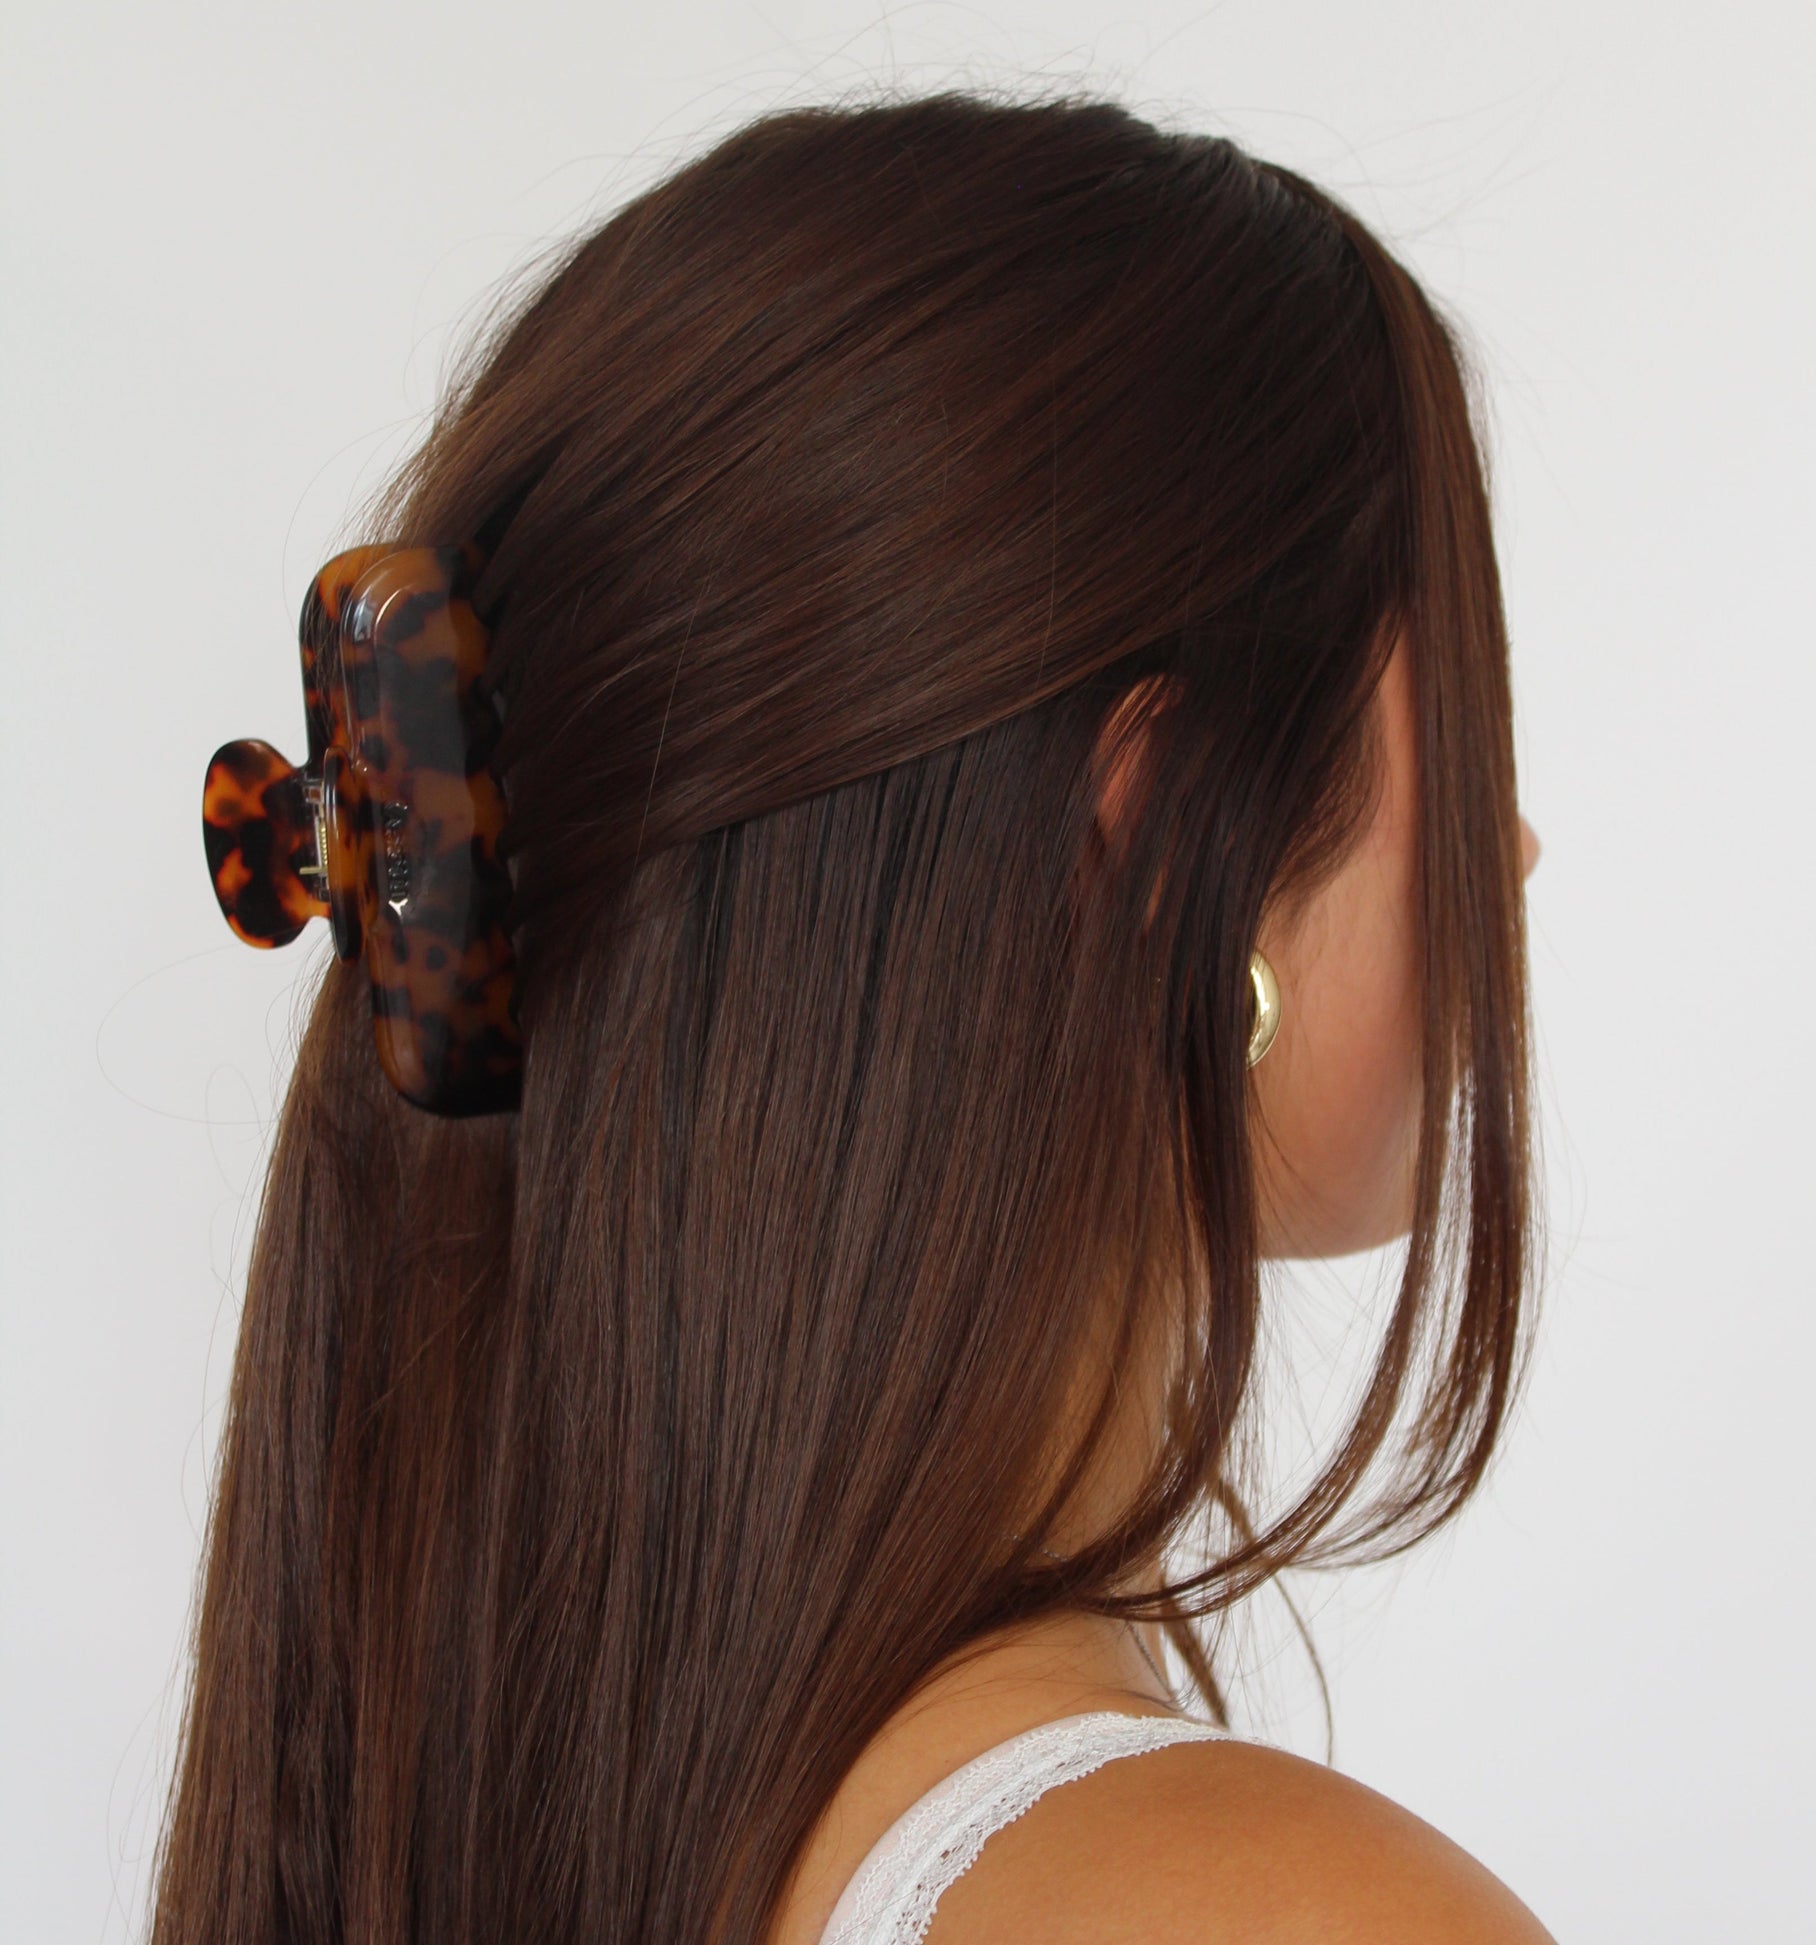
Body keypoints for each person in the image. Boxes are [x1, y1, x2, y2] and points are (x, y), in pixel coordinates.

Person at [159, 87, 1551, 1944]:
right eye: (1462, 719)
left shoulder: (446, 1809)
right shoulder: (1274, 1913)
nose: (1513, 844)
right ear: (1149, 845)